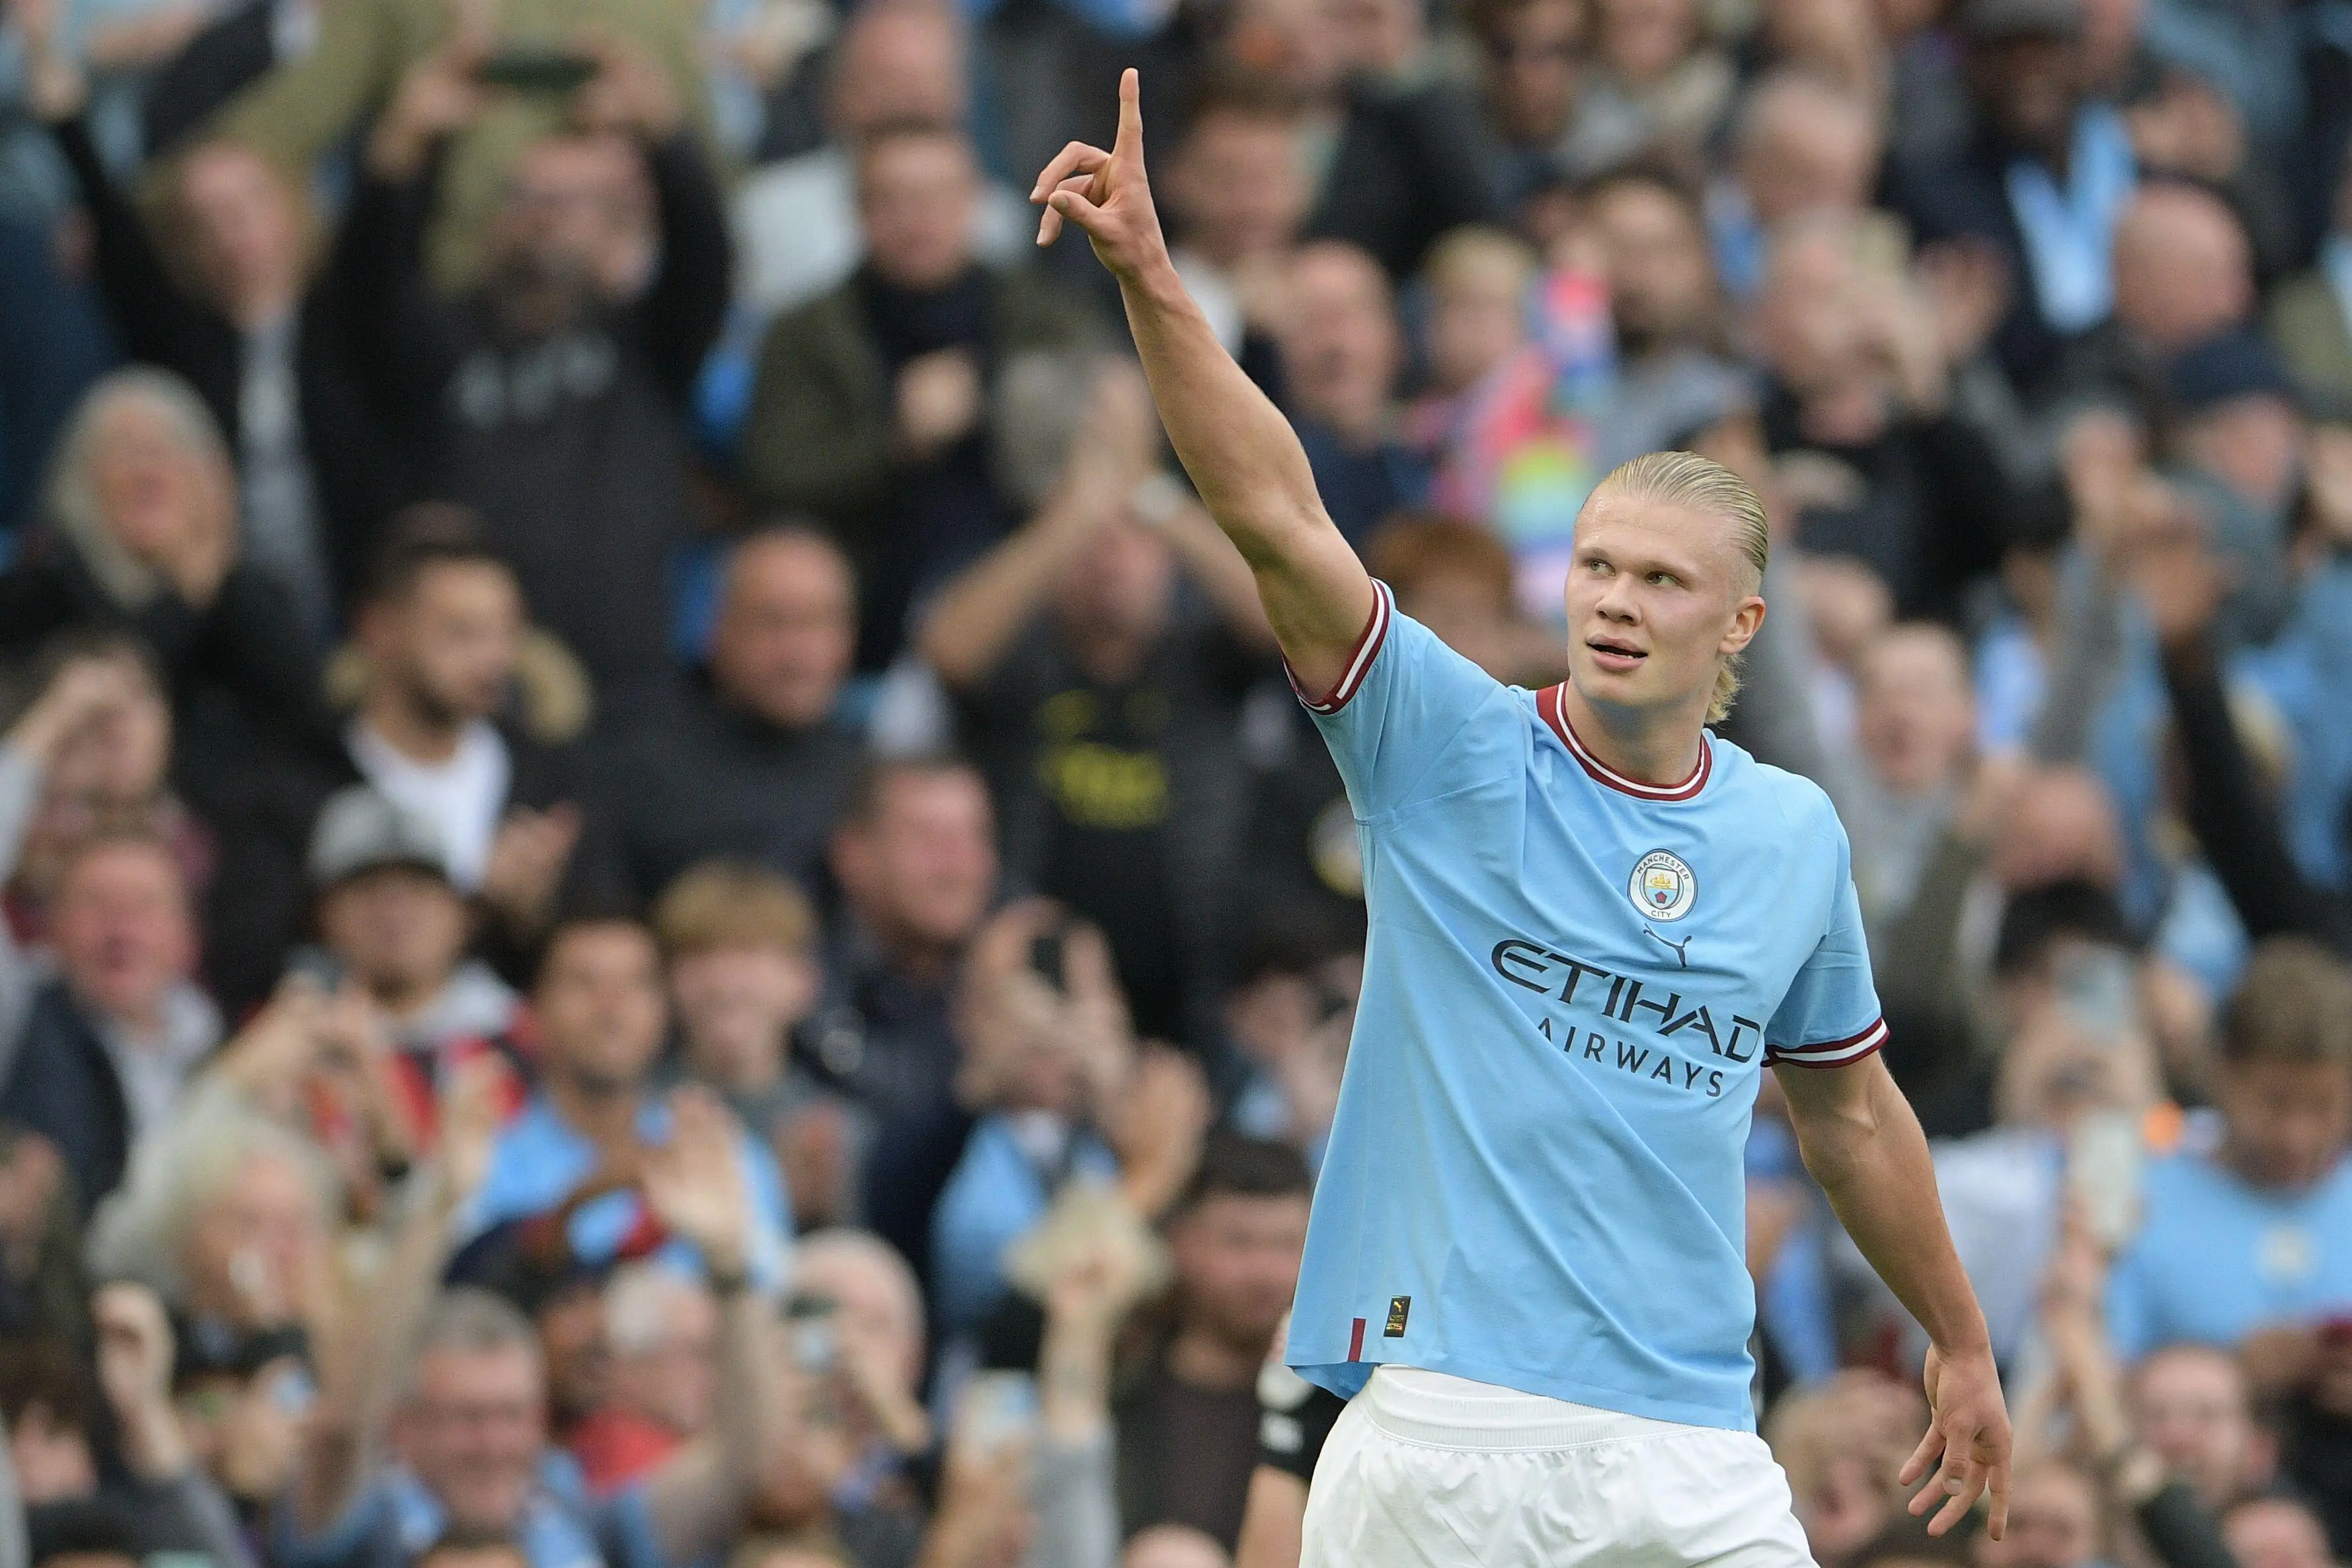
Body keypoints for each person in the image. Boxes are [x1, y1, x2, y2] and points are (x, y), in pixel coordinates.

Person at [1030, 69, 2012, 1561]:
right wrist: (1156, 281)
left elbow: (1853, 1119)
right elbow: (1278, 515)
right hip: (1442, 1424)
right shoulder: (1446, 746)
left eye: (1662, 580)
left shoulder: (1794, 835)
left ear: (1742, 622)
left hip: (1691, 1439)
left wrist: (1961, 1335)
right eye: (1599, 567)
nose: (1617, 602)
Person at [340, 36, 730, 694]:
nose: (545, 220)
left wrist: (663, 134)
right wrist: (403, 152)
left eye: (571, 202)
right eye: (525, 196)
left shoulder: (650, 341)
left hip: (627, 694)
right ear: (493, 218)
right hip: (472, 696)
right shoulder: (437, 338)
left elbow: (705, 252)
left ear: (617, 224)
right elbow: (363, 292)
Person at [920, 360, 1276, 1043]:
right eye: (1094, 538)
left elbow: (1288, 622)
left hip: (1197, 985)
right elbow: (946, 649)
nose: (1112, 552)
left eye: (1134, 536)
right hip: (1028, 988)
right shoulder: (1022, 657)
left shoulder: (1204, 659)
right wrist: (1076, 509)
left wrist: (1151, 492)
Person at [741, 122, 1107, 672]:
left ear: (973, 203)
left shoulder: (1045, 318)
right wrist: (895, 442)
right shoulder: (805, 333)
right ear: (859, 210)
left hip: (1031, 617)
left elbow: (1101, 452)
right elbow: (774, 477)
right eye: (895, 200)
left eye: (936, 197)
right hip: (864, 614)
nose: (918, 219)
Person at [459, 914, 793, 1289]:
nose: (611, 1008)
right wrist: (584, 1196)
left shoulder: (729, 1156)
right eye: (583, 983)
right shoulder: (478, 1158)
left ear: (665, 1010)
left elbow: (772, 1300)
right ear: (533, 1011)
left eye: (637, 984)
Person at [2104, 937, 2352, 1362]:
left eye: (2321, 1107)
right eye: (2274, 1102)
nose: (2297, 1136)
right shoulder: (2139, 1198)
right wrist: (2233, 1378)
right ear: (2222, 1076)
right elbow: (2094, 1381)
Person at [586, 528, 861, 904]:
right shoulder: (631, 758)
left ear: (848, 639)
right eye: (773, 623)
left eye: (816, 623)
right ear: (717, 629)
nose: (796, 655)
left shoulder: (868, 775)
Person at [0, 834, 217, 1220]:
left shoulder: (215, 1043)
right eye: (96, 905)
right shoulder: (18, 1024)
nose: (121, 933)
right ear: (52, 927)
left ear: (188, 937)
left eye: (143, 906)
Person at [1113, 1136, 1311, 1553]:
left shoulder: (1327, 1404)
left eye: (1288, 1245)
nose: (1266, 1273)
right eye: (1239, 1242)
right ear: (1180, 1241)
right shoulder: (1120, 1374)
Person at [814, 757, 1000, 1126]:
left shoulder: (1017, 947)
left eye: (973, 837)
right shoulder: (798, 961)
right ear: (852, 855)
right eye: (927, 838)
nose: (955, 868)